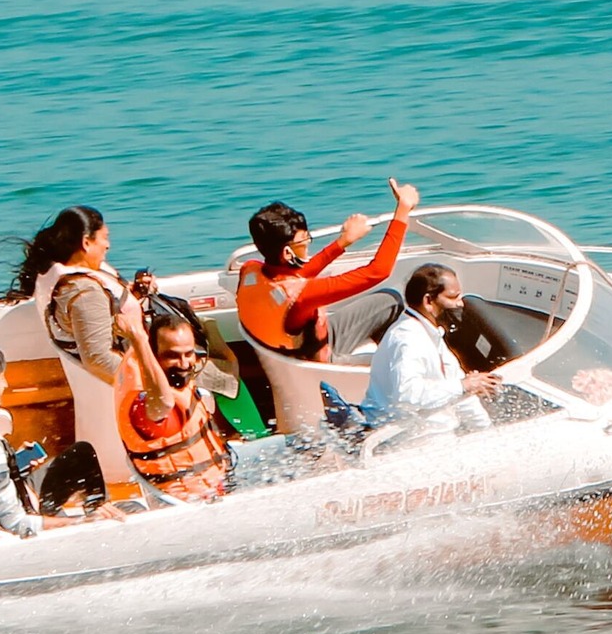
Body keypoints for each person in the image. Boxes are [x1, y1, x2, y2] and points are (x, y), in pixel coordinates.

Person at [0, 336, 125, 537]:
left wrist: (12, 465)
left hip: (16, 495)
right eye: (1, 378)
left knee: (81, 455)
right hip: (22, 525)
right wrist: (83, 522)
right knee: (128, 511)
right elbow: (17, 524)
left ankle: (101, 511)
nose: (5, 384)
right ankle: (102, 527)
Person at [236, 178, 420, 362]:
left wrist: (344, 241)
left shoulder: (250, 271)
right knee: (398, 360)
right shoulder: (302, 297)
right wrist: (403, 209)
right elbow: (378, 271)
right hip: (323, 368)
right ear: (287, 252)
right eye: (303, 240)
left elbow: (295, 275)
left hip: (293, 356)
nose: (308, 243)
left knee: (390, 300)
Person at [113, 313, 286, 501]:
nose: (184, 363)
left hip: (222, 473)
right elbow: (163, 403)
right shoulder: (145, 407)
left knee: (302, 445)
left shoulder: (174, 381)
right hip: (200, 498)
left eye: (188, 353)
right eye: (172, 356)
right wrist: (138, 340)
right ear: (153, 356)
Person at [1, 206, 144, 386]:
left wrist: (133, 295)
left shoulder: (59, 276)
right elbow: (98, 359)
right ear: (86, 242)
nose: (108, 245)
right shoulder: (85, 294)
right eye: (105, 237)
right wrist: (148, 382)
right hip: (126, 384)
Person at [363, 263, 500, 437]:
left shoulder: (431, 334)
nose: (460, 304)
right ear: (428, 301)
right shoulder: (408, 339)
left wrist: (487, 432)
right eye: (453, 297)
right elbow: (406, 394)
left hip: (430, 431)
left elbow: (459, 388)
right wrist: (463, 386)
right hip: (408, 440)